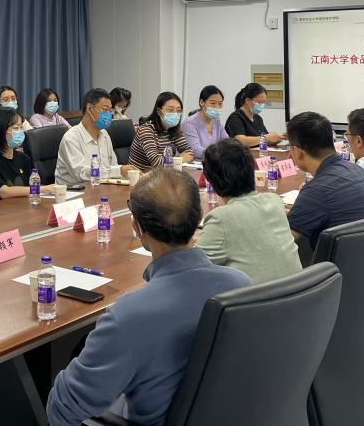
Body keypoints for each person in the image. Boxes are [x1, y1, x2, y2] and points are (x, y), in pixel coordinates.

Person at [46, 169, 251, 426]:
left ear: (137, 227)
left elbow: (63, 410)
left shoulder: (128, 316)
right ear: (199, 216)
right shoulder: (241, 285)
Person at [198, 139, 302, 285]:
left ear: (212, 181)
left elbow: (192, 267)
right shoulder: (274, 201)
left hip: (261, 298)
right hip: (300, 292)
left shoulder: (221, 219)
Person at [286, 111, 364, 252]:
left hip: (345, 264)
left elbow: (283, 240)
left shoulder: (317, 190)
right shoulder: (357, 170)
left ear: (297, 152)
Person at [55, 88, 138, 186]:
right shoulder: (71, 138)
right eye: (105, 109)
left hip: (101, 188)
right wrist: (118, 171)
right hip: (74, 192)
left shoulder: (104, 135)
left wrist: (125, 172)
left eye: (110, 110)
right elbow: (81, 174)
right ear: (89, 108)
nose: (109, 114)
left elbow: (113, 165)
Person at [0, 108, 52, 198]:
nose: (20, 132)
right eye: (16, 128)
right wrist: (43, 189)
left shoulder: (24, 158)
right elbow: (3, 192)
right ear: (0, 131)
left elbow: (31, 185)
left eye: (21, 127)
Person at [130, 92, 194, 172]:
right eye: (170, 110)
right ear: (159, 112)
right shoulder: (146, 130)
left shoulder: (173, 129)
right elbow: (157, 162)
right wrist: (179, 159)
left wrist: (172, 161)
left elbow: (189, 153)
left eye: (178, 111)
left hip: (162, 173)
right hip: (141, 175)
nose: (175, 114)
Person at [224, 83, 284, 148]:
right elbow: (242, 141)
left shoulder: (258, 118)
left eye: (264, 102)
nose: (262, 105)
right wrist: (266, 137)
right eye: (259, 102)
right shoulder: (235, 118)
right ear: (248, 101)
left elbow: (264, 141)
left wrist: (278, 138)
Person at [181, 86, 227, 161]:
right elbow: (196, 151)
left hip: (213, 163)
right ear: (202, 102)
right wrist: (219, 153)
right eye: (213, 103)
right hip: (194, 165)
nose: (217, 107)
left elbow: (226, 142)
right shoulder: (189, 123)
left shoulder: (216, 121)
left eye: (220, 103)